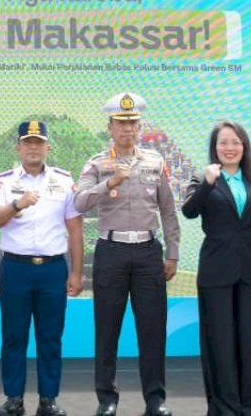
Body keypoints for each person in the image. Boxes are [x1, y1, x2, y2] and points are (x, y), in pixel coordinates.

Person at [75, 93, 180, 416]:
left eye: (132, 123)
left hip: (149, 253)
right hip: (111, 252)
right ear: (109, 127)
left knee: (152, 330)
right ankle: (107, 399)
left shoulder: (154, 162)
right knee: (107, 330)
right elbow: (78, 203)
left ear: (140, 127)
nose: (127, 129)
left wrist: (173, 254)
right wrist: (110, 183)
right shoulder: (96, 164)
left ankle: (155, 400)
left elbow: (168, 211)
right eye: (120, 124)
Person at [0, 120, 83, 416]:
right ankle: (13, 398)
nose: (33, 147)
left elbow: (75, 229)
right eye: (27, 142)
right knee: (14, 336)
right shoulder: (3, 181)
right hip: (16, 268)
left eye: (38, 142)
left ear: (47, 147)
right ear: (18, 147)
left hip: (53, 270)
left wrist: (76, 272)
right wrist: (17, 204)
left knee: (50, 337)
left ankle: (48, 399)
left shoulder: (64, 181)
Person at [181, 120, 251, 416]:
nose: (230, 148)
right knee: (219, 340)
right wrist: (207, 182)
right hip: (216, 272)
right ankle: (225, 406)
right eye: (223, 143)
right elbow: (190, 211)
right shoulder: (202, 178)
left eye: (235, 142)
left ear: (244, 147)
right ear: (214, 148)